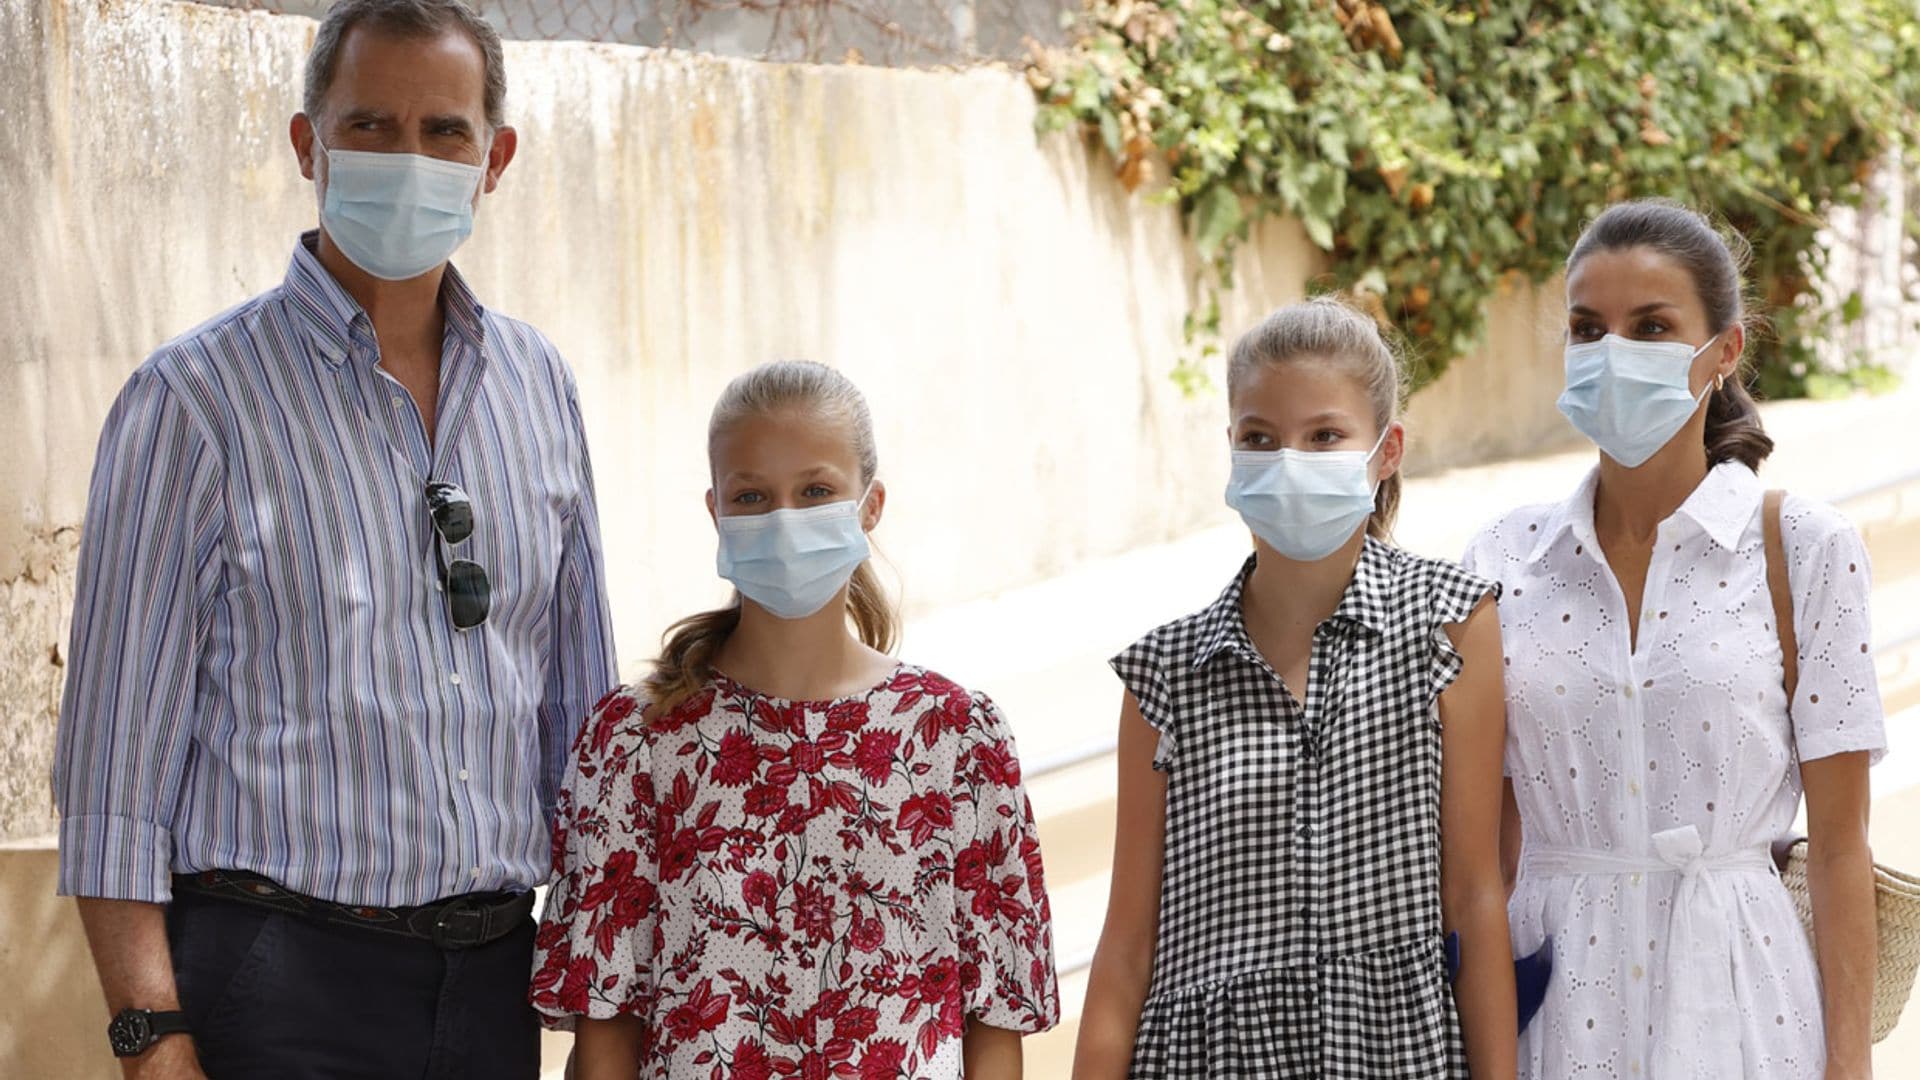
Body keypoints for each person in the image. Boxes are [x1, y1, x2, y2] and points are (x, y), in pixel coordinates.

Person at [51, 2, 617, 1076]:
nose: (409, 157)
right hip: (276, 987)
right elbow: (114, 763)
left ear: (493, 159)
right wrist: (151, 1038)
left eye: (444, 131)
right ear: (308, 144)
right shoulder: (194, 401)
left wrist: (596, 1004)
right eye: (369, 126)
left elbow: (577, 720)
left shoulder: (540, 386)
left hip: (492, 981)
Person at [530, 360, 1060, 1079]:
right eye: (752, 495)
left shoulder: (957, 737)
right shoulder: (634, 742)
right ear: (715, 510)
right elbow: (606, 1027)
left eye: (815, 491)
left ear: (869, 505)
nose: (783, 520)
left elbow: (995, 1021)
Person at [1463, 200, 1883, 1079]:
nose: (1614, 351)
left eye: (1651, 327)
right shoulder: (1502, 558)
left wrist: (1850, 1067)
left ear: (1724, 350)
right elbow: (1484, 857)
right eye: (1589, 327)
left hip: (1748, 1007)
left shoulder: (1805, 548)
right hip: (1557, 1019)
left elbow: (1842, 850)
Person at [1073, 298, 1517, 1078]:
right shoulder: (1163, 676)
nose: (1288, 461)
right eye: (1260, 438)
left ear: (1386, 451)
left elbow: (1475, 898)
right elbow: (1125, 950)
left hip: (1399, 1055)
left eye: (1324, 437)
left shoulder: (1451, 627)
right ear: (1232, 451)